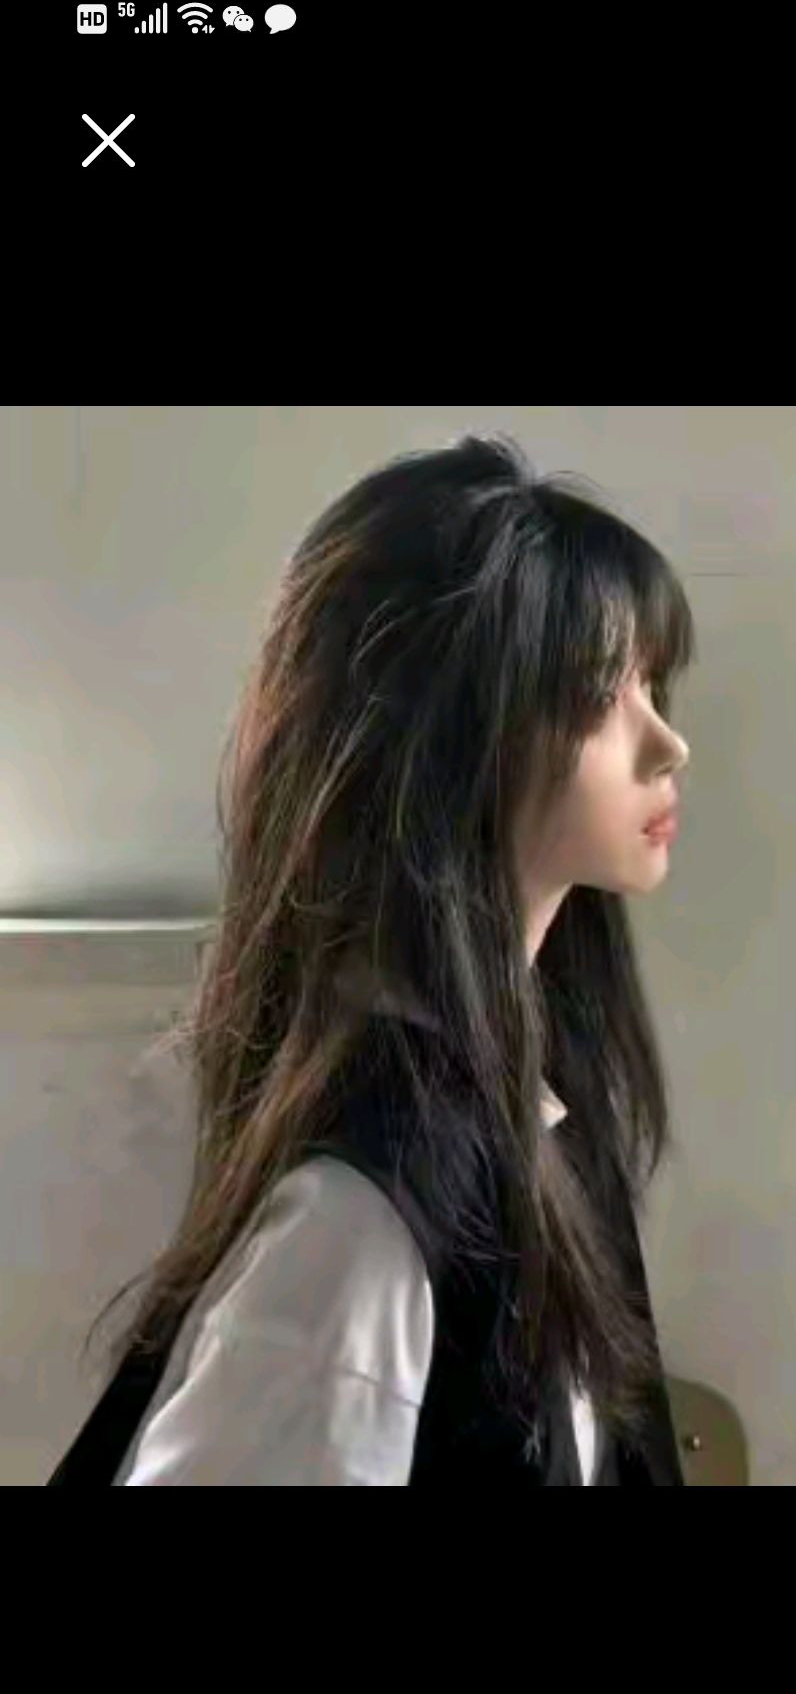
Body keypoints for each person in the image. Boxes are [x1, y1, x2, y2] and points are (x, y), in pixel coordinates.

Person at [46, 431, 694, 1486]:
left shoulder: (538, 1109)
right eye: (596, 696)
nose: (667, 744)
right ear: (451, 738)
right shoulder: (367, 1216)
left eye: (653, 685)